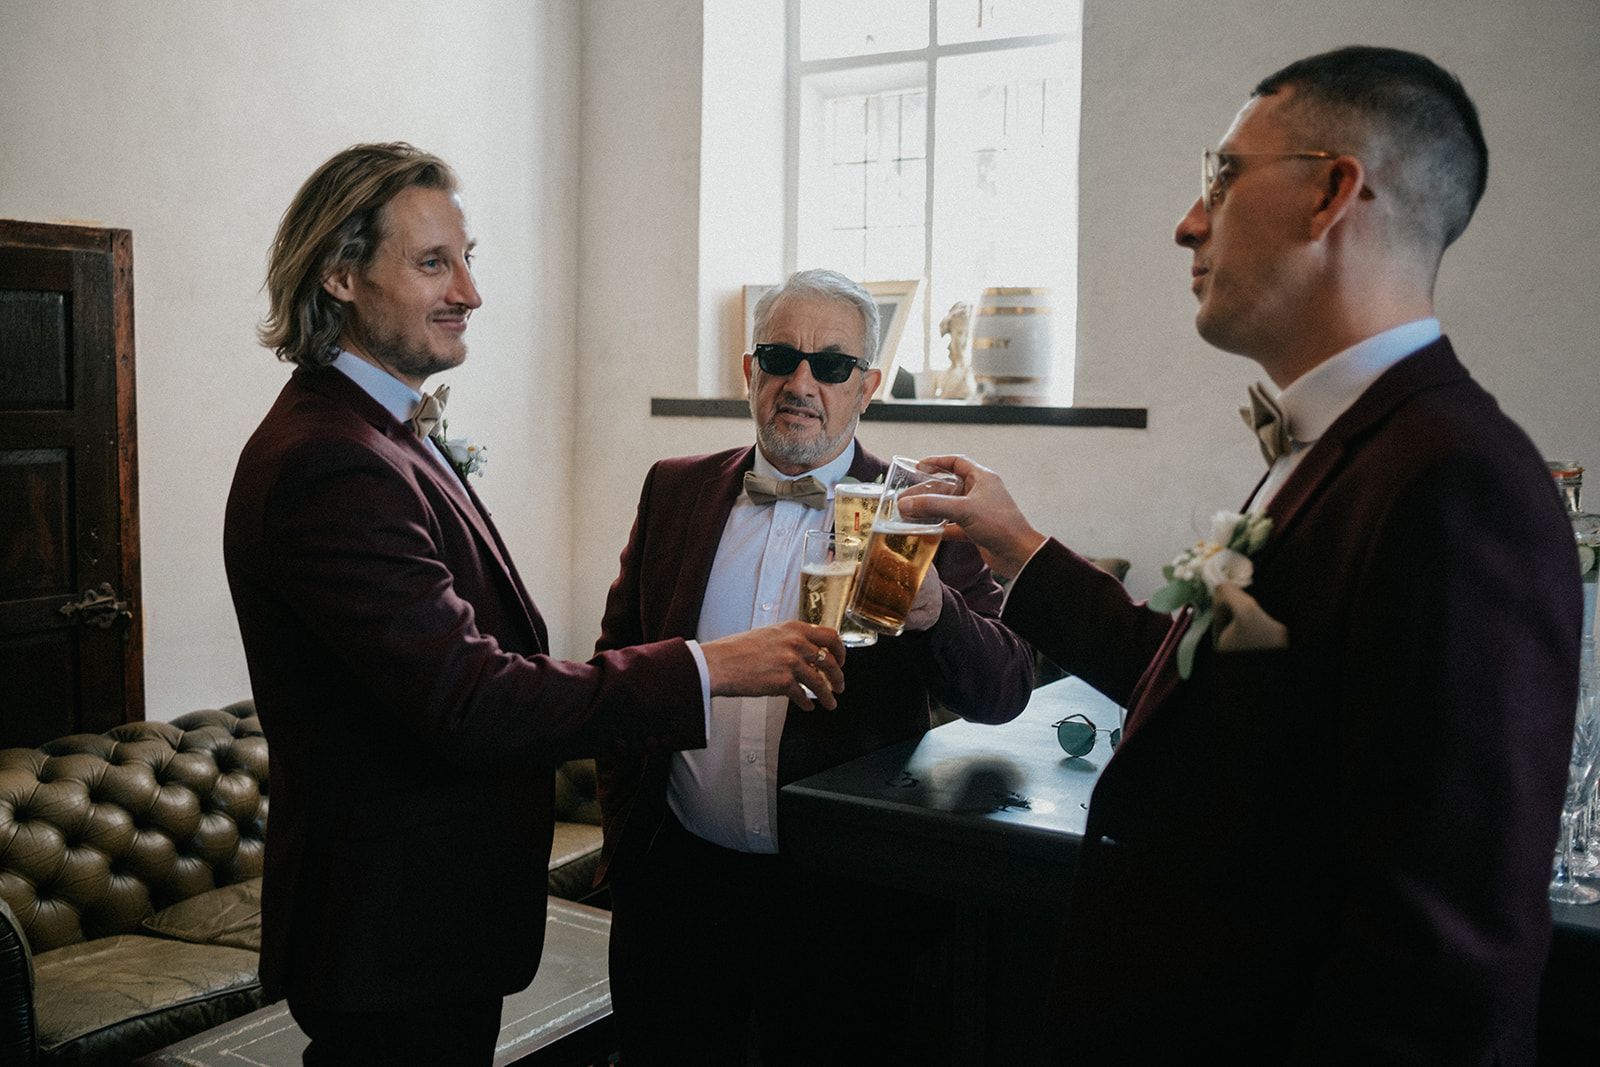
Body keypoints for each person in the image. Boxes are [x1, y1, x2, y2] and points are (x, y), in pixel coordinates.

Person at [902, 47, 1581, 1062]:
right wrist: (1017, 544)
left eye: (1219, 176)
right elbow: (1207, 694)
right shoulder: (1339, 450)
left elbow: (1441, 962)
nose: (1187, 219)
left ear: (1329, 194)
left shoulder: (1455, 483)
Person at [223, 143, 845, 1065]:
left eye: (469, 257)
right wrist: (714, 667)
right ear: (341, 273)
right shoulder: (330, 460)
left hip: (435, 926)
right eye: (434, 262)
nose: (469, 291)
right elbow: (470, 696)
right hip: (389, 930)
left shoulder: (383, 432)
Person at [594, 268, 1036, 1064]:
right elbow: (617, 664)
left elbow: (1005, 688)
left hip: (845, 906)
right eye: (780, 357)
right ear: (749, 370)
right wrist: (634, 840)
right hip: (681, 895)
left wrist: (935, 610)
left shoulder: (919, 510)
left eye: (831, 366)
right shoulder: (674, 491)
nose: (801, 382)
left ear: (866, 387)